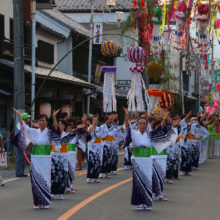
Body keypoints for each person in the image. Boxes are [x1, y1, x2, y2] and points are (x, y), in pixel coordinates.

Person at [123, 108, 177, 211]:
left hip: (147, 161)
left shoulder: (150, 135)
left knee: (148, 181)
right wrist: (126, 116)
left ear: (147, 124)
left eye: (144, 123)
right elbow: (127, 127)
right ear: (138, 125)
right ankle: (140, 203)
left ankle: (147, 203)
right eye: (140, 123)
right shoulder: (134, 134)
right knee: (138, 182)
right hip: (137, 161)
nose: (142, 125)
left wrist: (164, 119)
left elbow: (159, 129)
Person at [12, 108, 60, 209]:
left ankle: (46, 201)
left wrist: (54, 117)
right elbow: (24, 127)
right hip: (35, 159)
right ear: (37, 122)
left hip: (46, 159)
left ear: (47, 122)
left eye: (43, 121)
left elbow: (56, 130)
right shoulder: (33, 131)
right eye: (40, 120)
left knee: (46, 179)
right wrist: (19, 116)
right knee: (35, 180)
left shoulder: (49, 132)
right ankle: (37, 202)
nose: (41, 122)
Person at [14, 113, 31, 177]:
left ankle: (21, 172)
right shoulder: (20, 124)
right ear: (24, 119)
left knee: (22, 158)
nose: (28, 119)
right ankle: (18, 172)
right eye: (27, 118)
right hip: (18, 143)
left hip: (23, 143)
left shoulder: (25, 125)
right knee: (19, 158)